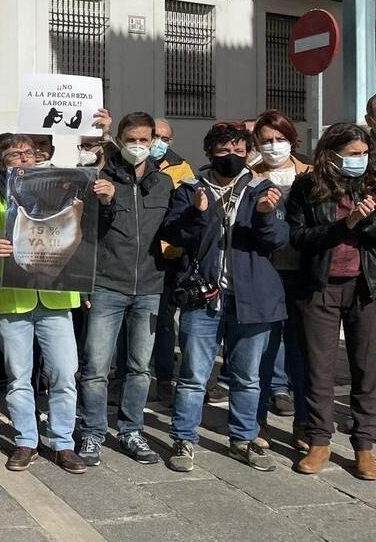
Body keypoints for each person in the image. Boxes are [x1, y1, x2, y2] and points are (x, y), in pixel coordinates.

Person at [160, 122, 288, 474]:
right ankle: (184, 438)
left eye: (238, 150)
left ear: (248, 152)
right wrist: (196, 215)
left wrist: (264, 216)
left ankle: (244, 439)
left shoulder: (263, 188)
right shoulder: (190, 188)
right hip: (202, 298)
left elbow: (276, 241)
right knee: (193, 375)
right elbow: (173, 233)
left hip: (253, 298)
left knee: (247, 377)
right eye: (223, 150)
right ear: (210, 153)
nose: (231, 156)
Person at [0, 135, 84, 474]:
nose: (23, 158)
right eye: (14, 154)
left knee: (64, 374)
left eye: (29, 153)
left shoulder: (64, 192)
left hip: (55, 297)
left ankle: (63, 444)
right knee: (18, 377)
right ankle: (26, 440)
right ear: (1, 161)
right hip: (12, 301)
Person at [77, 113, 172, 467]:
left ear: (153, 143)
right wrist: (106, 203)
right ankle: (91, 432)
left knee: (139, 367)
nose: (137, 146)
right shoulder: (99, 180)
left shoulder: (162, 184)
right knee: (96, 366)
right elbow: (87, 235)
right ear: (120, 140)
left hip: (149, 286)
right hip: (106, 286)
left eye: (143, 140)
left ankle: (132, 430)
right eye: (129, 139)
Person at [287, 123, 376, 478]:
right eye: (353, 154)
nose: (361, 160)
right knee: (319, 369)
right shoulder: (307, 186)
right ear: (332, 154)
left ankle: (365, 446)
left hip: (365, 287)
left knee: (366, 369)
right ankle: (320, 440)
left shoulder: (372, 184)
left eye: (365, 154)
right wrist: (346, 224)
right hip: (319, 287)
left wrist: (364, 222)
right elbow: (298, 237)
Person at [249, 110, 312, 447]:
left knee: (302, 354)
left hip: (304, 275)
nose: (274, 146)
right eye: (267, 141)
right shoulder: (251, 177)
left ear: (292, 139)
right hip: (264, 274)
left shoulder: (313, 175)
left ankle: (304, 424)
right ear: (257, 144)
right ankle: (255, 421)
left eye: (280, 139)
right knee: (261, 353)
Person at [151, 118, 197, 402]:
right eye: (154, 135)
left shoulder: (182, 167)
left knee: (165, 321)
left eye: (164, 138)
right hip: (138, 255)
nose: (158, 142)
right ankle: (120, 378)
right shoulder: (130, 161)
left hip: (169, 256)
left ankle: (165, 378)